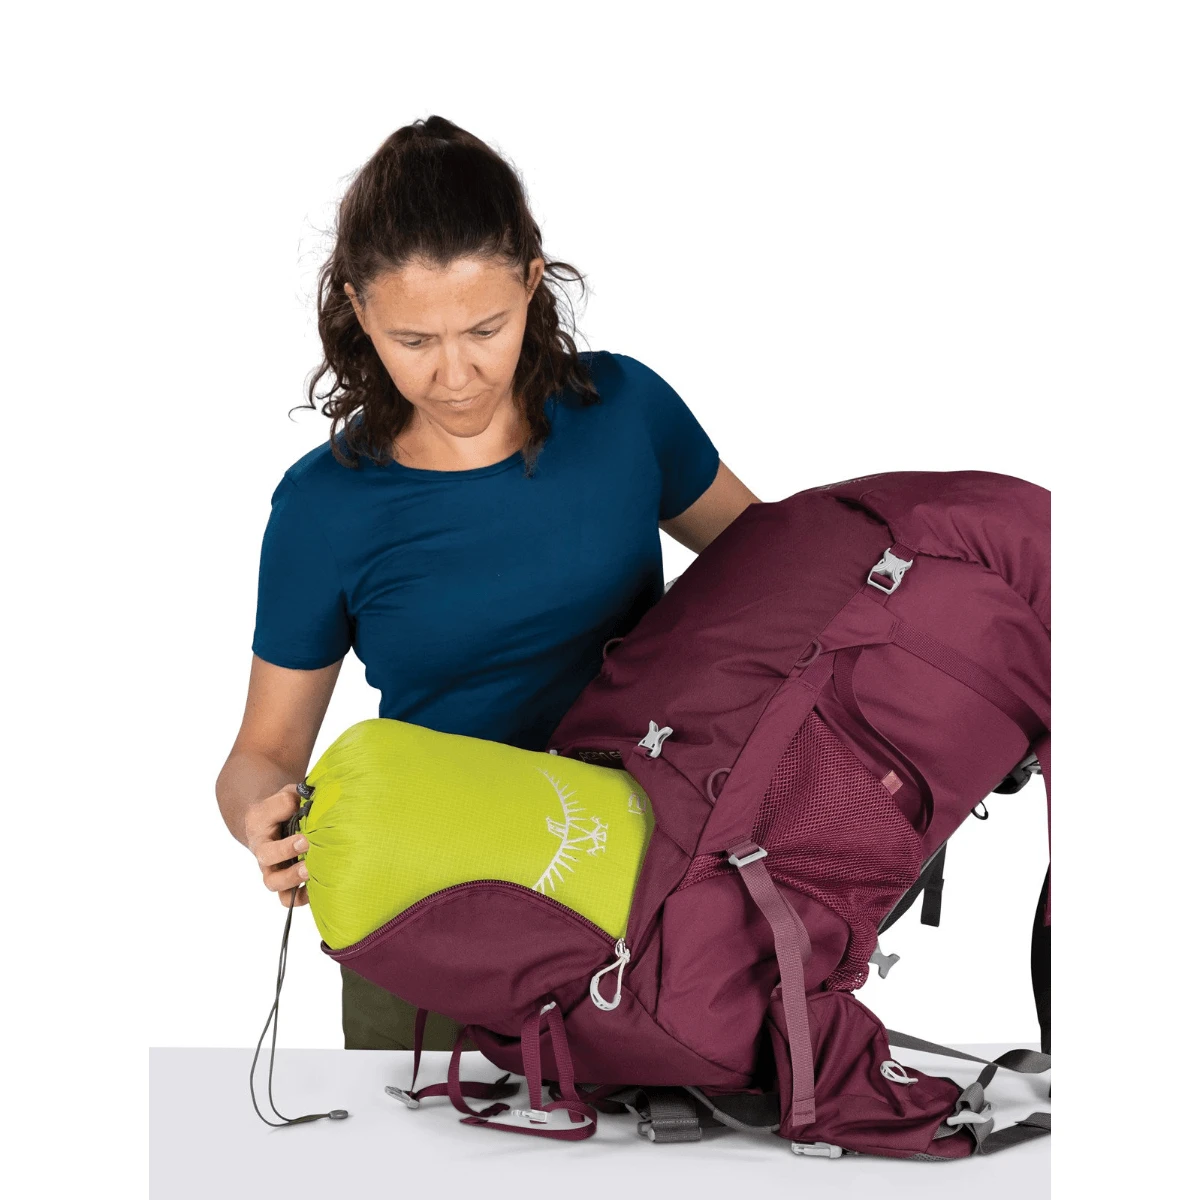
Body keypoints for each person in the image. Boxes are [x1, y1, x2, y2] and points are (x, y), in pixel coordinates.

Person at [215, 115, 760, 1052]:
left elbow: (786, 576)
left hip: (642, 886)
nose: (456, 373)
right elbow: (261, 754)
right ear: (357, 309)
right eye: (413, 338)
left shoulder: (625, 413)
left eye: (485, 328)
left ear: (532, 282)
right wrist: (259, 818)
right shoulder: (323, 509)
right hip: (427, 905)